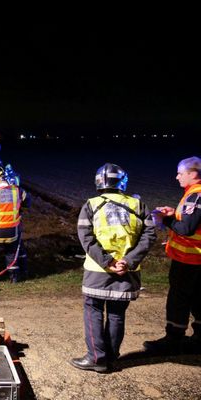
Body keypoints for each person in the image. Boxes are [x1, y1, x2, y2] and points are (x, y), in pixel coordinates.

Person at [71, 163, 156, 372]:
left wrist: (108, 262)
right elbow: (150, 235)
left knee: (93, 311)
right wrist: (128, 260)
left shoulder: (90, 205)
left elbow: (86, 238)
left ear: (99, 182)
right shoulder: (139, 205)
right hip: (128, 272)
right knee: (117, 314)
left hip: (98, 271)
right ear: (122, 182)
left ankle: (96, 358)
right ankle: (110, 357)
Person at [143, 156, 201, 354]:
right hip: (196, 259)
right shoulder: (194, 194)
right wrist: (173, 213)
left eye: (180, 173)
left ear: (192, 174)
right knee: (198, 297)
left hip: (190, 258)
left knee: (179, 298)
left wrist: (164, 220)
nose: (177, 177)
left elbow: (186, 228)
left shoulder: (196, 195)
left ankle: (173, 339)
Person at [0, 165, 30, 283]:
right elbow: (27, 202)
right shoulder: (17, 190)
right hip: (12, 230)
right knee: (11, 253)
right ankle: (14, 277)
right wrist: (19, 210)